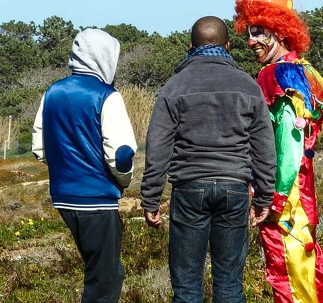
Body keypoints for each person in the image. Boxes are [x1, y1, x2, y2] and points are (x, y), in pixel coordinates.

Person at [140, 16, 276, 303]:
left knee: (187, 289)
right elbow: (264, 147)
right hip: (234, 187)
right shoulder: (248, 86)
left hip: (189, 188)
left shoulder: (174, 87)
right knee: (229, 288)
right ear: (228, 46)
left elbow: (158, 146)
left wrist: (151, 198)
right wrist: (264, 196)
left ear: (191, 46)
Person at [233, 0, 323, 303]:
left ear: (280, 31)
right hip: (300, 193)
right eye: (249, 32)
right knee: (307, 273)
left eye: (259, 32)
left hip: (287, 197)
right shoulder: (304, 71)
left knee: (290, 277)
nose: (251, 40)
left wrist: (274, 197)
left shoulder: (279, 76)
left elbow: (289, 146)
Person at [32, 28, 137, 303]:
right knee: (105, 280)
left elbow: (39, 148)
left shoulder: (52, 92)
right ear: (106, 57)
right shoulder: (107, 95)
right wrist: (123, 181)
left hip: (64, 198)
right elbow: (121, 154)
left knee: (104, 272)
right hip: (97, 200)